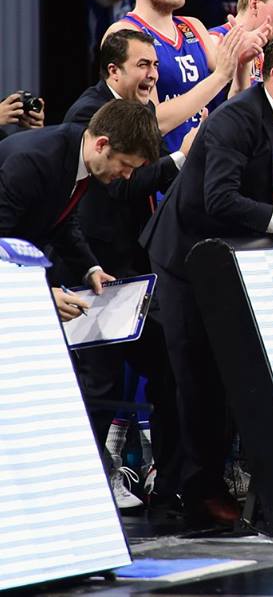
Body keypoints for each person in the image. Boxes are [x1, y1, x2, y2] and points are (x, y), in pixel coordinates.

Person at [140, 33, 273, 525]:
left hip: (232, 259)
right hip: (184, 257)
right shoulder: (235, 119)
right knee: (196, 378)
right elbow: (219, 199)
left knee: (230, 376)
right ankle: (194, 494)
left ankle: (224, 484)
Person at [62, 29, 191, 512]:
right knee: (100, 385)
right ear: (113, 70)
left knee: (169, 368)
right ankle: (91, 481)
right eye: (143, 65)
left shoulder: (138, 112)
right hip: (94, 274)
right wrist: (181, 156)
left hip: (136, 275)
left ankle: (171, 482)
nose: (153, 73)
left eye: (155, 64)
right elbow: (121, 187)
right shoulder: (86, 114)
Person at [102, 0, 267, 153]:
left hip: (205, 163)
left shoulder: (193, 26)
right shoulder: (125, 33)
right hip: (159, 166)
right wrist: (220, 76)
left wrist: (243, 64)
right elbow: (150, 121)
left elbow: (233, 104)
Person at [0, 99, 160, 323]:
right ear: (101, 144)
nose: (127, 176)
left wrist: (90, 269)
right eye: (125, 165)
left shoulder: (77, 149)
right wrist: (41, 295)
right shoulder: (32, 163)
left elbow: (62, 220)